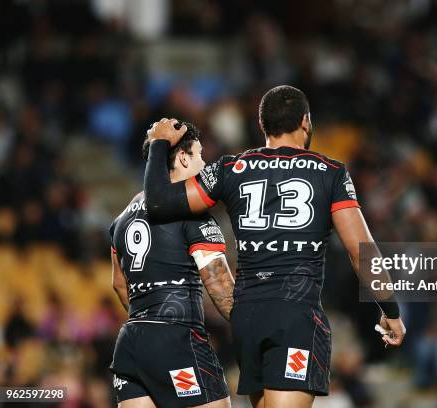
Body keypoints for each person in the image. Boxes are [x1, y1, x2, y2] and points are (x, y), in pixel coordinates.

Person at [143, 86, 405, 408]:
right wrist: (390, 308)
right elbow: (361, 251)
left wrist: (158, 144)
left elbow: (157, 202)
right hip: (295, 315)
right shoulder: (331, 173)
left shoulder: (231, 168)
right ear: (306, 122)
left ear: (263, 124)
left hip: (248, 317)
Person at [109, 122, 234, 408]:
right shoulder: (191, 214)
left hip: (131, 344)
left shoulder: (121, 219)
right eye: (200, 155)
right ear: (182, 158)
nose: (205, 164)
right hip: (177, 339)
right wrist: (252, 326)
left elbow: (118, 284)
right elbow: (219, 287)